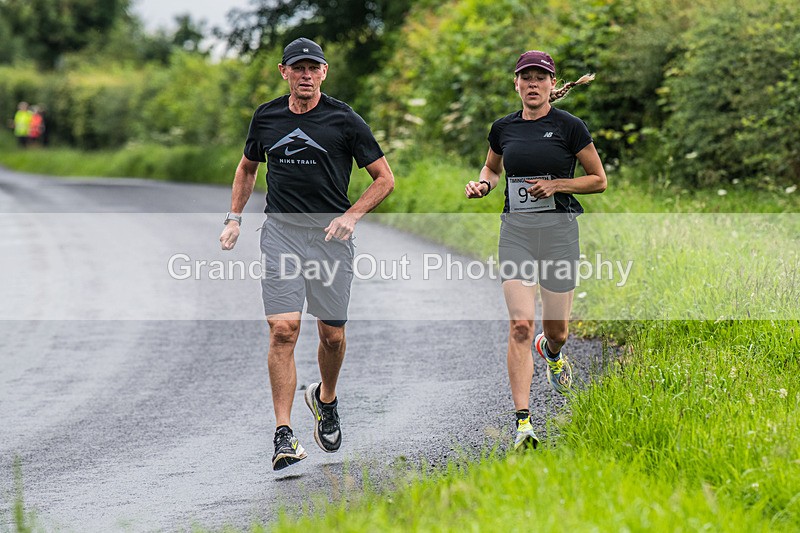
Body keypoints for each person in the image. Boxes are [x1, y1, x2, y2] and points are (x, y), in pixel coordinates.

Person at [219, 37, 394, 470]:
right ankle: (283, 434)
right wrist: (234, 217)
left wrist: (351, 217)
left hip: (331, 241)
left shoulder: (344, 120)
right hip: (281, 234)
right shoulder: (267, 116)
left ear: (324, 72)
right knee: (283, 330)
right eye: (298, 68)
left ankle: (325, 399)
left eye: (313, 68)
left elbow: (384, 179)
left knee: (331, 336)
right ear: (284, 72)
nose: (306, 75)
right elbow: (247, 167)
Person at [464, 50, 606, 451]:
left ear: (550, 84)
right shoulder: (503, 129)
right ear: (516, 83)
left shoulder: (570, 127)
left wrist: (558, 185)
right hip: (517, 235)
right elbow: (492, 168)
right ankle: (523, 422)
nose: (532, 84)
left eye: (539, 77)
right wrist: (484, 185)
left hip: (559, 234)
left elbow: (598, 179)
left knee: (556, 330)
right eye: (525, 77)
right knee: (521, 325)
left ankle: (552, 352)